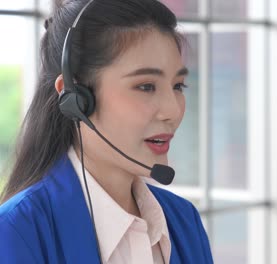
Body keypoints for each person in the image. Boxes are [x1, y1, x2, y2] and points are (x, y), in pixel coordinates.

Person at [0, 0, 213, 263]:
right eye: (146, 86)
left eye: (178, 86)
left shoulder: (183, 220)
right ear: (75, 98)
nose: (172, 110)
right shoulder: (16, 232)